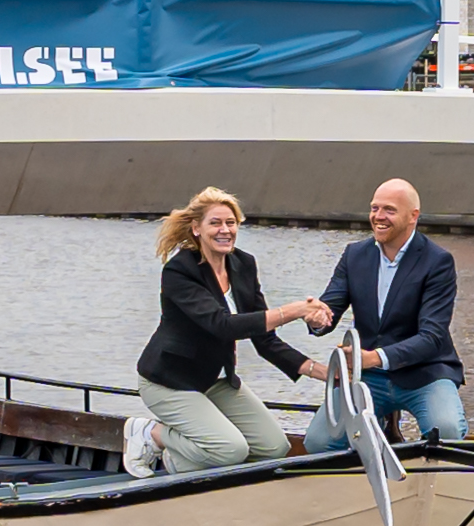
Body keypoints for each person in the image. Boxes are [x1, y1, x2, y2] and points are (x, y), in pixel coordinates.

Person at [124, 187, 332, 477]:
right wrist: (295, 311)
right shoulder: (180, 271)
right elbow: (221, 326)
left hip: (216, 379)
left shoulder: (243, 264)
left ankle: (183, 461)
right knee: (231, 450)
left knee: (274, 448)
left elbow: (265, 339)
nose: (225, 230)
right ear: (196, 228)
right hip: (169, 380)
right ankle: (151, 434)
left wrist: (323, 372)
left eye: (231, 223)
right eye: (216, 223)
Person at [302, 178, 466, 450]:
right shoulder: (355, 255)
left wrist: (374, 357)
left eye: (389, 210)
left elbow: (433, 336)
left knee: (446, 432)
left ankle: (427, 487)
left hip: (424, 373)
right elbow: (329, 308)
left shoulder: (437, 261)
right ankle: (356, 484)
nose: (378, 217)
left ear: (413, 216)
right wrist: (318, 317)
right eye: (374, 208)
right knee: (319, 443)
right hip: (367, 379)